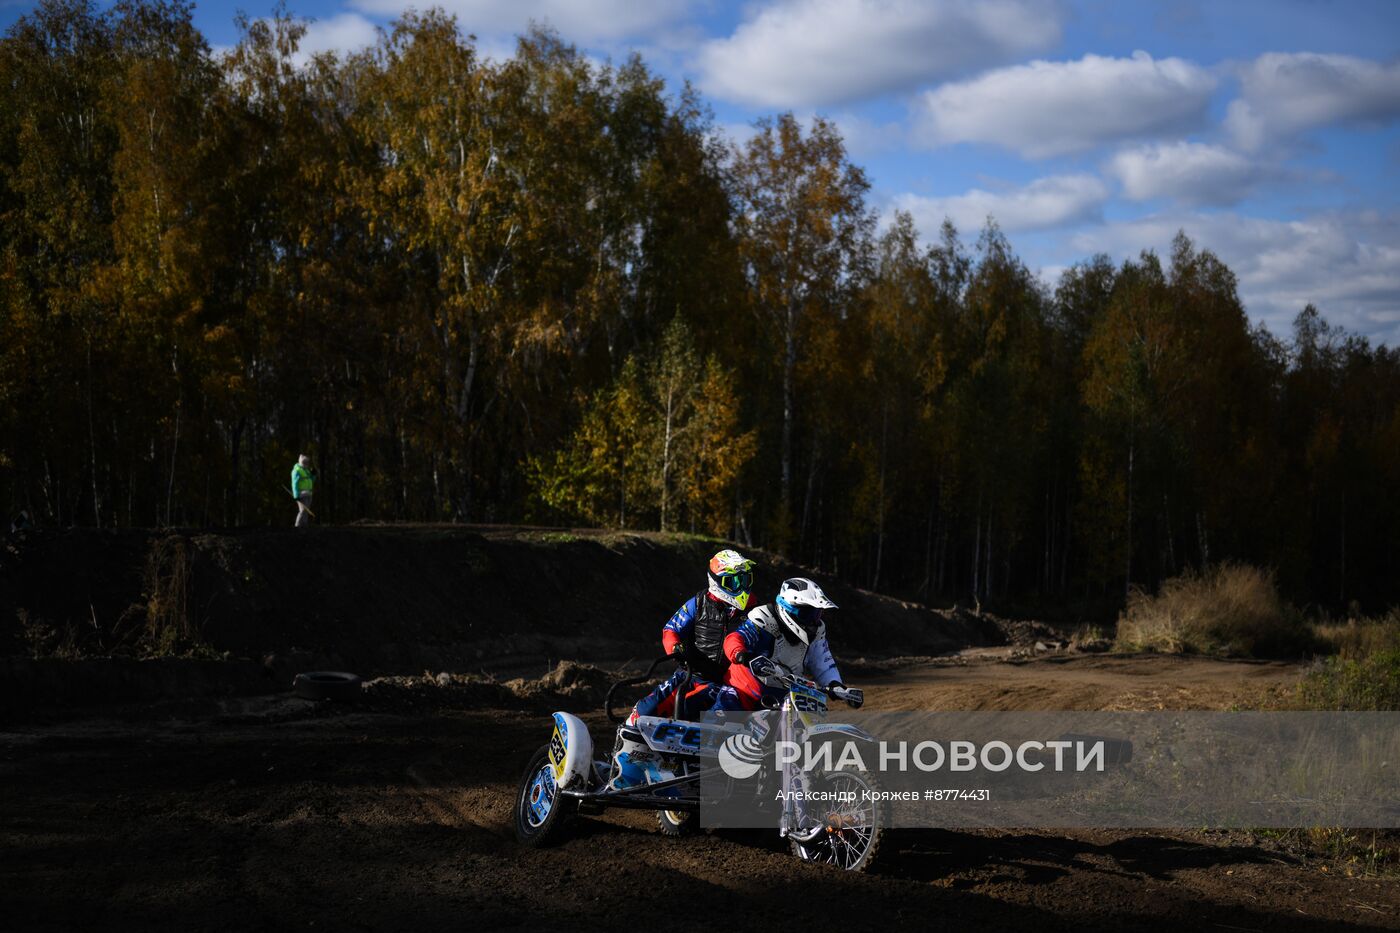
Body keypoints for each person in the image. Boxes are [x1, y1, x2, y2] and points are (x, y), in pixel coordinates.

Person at [608, 549, 754, 790]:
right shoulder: (698, 603)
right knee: (644, 709)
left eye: (745, 580)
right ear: (716, 582)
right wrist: (676, 647)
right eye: (734, 581)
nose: (741, 587)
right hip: (691, 675)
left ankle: (702, 775)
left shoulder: (755, 612)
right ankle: (620, 761)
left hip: (728, 686)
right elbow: (670, 629)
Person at [723, 576, 863, 711]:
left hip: (784, 696)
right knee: (726, 705)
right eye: (807, 614)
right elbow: (735, 637)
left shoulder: (817, 631)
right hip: (744, 691)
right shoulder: (765, 619)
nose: (813, 622)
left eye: (817, 614)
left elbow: (823, 662)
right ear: (788, 608)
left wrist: (837, 687)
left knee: (806, 720)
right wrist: (742, 654)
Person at [291, 454, 316, 528]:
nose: (307, 465)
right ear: (302, 463)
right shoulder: (296, 471)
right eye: (305, 463)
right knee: (302, 511)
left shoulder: (306, 470)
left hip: (309, 493)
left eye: (307, 463)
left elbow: (311, 480)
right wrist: (296, 495)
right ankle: (297, 526)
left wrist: (313, 475)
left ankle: (304, 526)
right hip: (301, 494)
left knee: (306, 511)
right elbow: (294, 483)